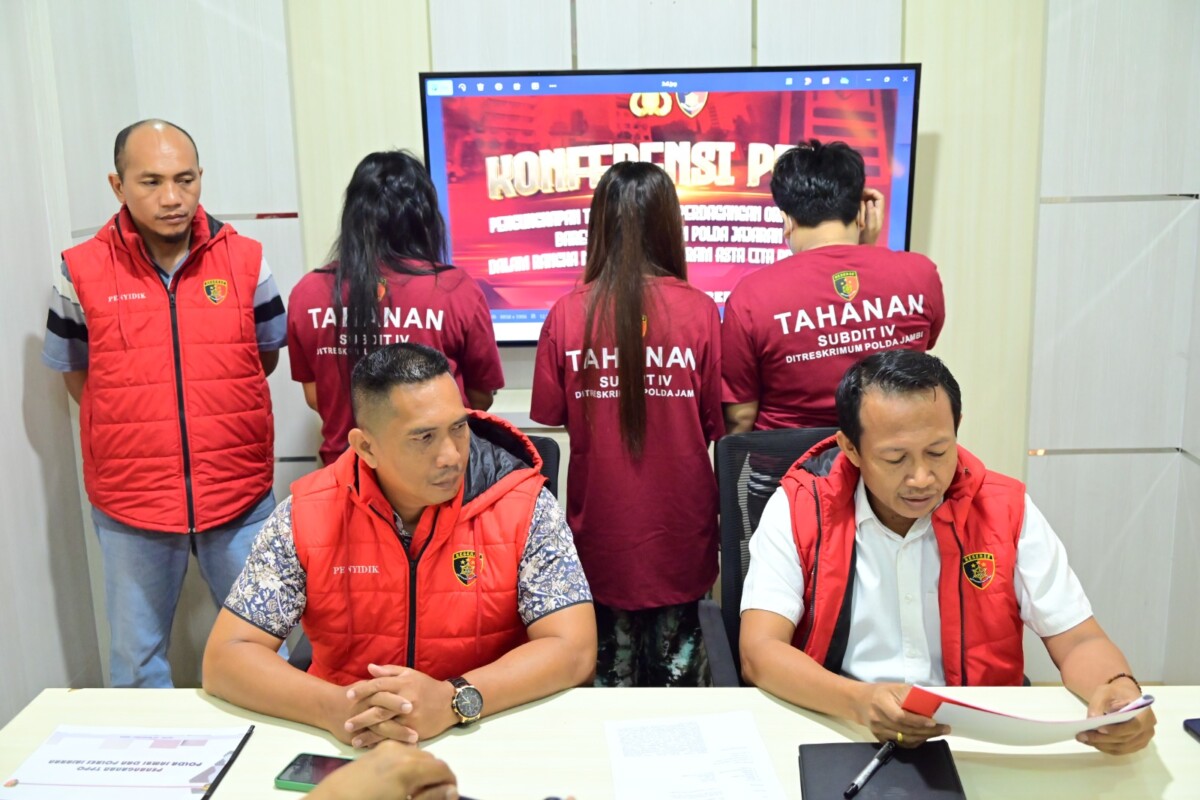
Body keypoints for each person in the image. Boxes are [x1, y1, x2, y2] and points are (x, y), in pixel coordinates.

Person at [738, 350, 1156, 756]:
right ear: (851, 449)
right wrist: (859, 702)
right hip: (843, 725)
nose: (922, 478)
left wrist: (1119, 690)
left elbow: (1078, 639)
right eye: (895, 458)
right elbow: (760, 651)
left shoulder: (1004, 509)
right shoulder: (801, 507)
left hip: (974, 739)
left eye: (938, 452)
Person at [203, 343, 596, 745]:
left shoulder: (523, 504)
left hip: (485, 729)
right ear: (366, 448)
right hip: (351, 739)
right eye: (424, 437)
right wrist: (331, 707)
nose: (451, 456)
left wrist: (454, 699)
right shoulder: (305, 515)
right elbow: (226, 658)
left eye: (458, 428)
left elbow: (574, 648)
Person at [41, 119, 286, 687]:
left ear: (201, 177)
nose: (172, 198)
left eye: (185, 179)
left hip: (239, 495)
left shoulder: (247, 259)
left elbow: (264, 356)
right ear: (118, 185)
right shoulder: (80, 269)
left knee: (269, 654)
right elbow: (79, 373)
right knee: (135, 662)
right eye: (151, 181)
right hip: (132, 502)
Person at [530, 162, 723, 687]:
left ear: (599, 225)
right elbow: (715, 422)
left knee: (604, 691)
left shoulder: (566, 313)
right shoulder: (701, 312)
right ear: (669, 224)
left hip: (601, 530)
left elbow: (552, 415)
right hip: (680, 530)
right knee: (679, 692)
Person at [287, 150, 504, 466]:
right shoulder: (455, 289)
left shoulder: (308, 293)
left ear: (353, 215)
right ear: (424, 217)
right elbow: (480, 398)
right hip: (436, 474)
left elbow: (315, 397)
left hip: (346, 475)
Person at [721, 139, 945, 434]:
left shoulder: (752, 296)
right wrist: (866, 250)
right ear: (862, 212)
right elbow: (910, 350)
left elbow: (740, 418)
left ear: (786, 219)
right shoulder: (920, 274)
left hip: (791, 461)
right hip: (889, 456)